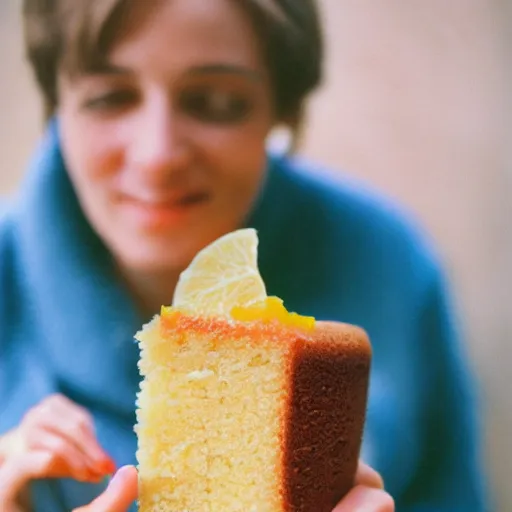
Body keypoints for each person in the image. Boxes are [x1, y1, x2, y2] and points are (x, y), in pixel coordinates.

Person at [0, 0, 488, 510]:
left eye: (214, 101)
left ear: (283, 108)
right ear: (55, 98)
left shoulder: (389, 265)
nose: (157, 156)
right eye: (109, 97)